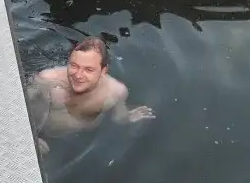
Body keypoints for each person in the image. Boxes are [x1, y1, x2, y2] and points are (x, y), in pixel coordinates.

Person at [26, 37, 155, 156]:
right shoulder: (47, 81)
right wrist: (31, 138)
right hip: (44, 136)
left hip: (75, 142)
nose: (78, 75)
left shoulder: (116, 92)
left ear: (103, 71)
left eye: (89, 69)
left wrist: (128, 117)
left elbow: (118, 118)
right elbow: (25, 112)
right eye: (74, 66)